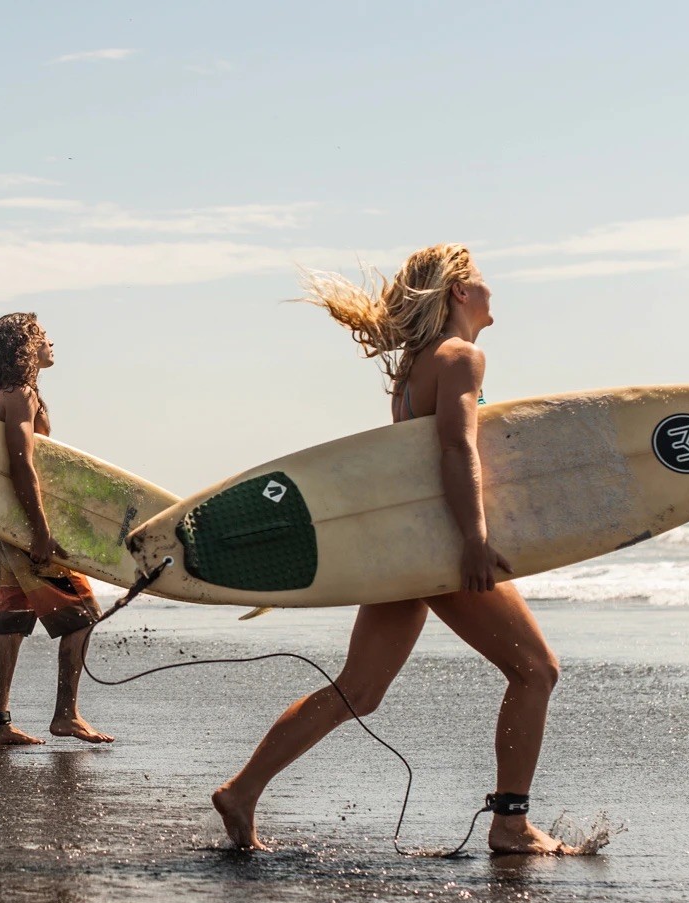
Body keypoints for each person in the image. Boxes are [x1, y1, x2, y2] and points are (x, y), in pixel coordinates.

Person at [211, 245, 579, 854]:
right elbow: (455, 450)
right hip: (440, 548)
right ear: (460, 293)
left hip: (406, 548)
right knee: (536, 670)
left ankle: (242, 789)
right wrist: (474, 540)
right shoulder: (461, 357)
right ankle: (510, 824)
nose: (492, 291)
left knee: (359, 689)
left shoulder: (414, 370)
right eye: (482, 281)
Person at [0, 313, 112, 747]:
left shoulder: (2, 394)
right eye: (42, 336)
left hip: (9, 527)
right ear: (26, 345)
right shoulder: (20, 394)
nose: (51, 342)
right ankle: (66, 715)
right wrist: (41, 532)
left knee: (12, 623)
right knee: (82, 616)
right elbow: (21, 464)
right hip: (26, 528)